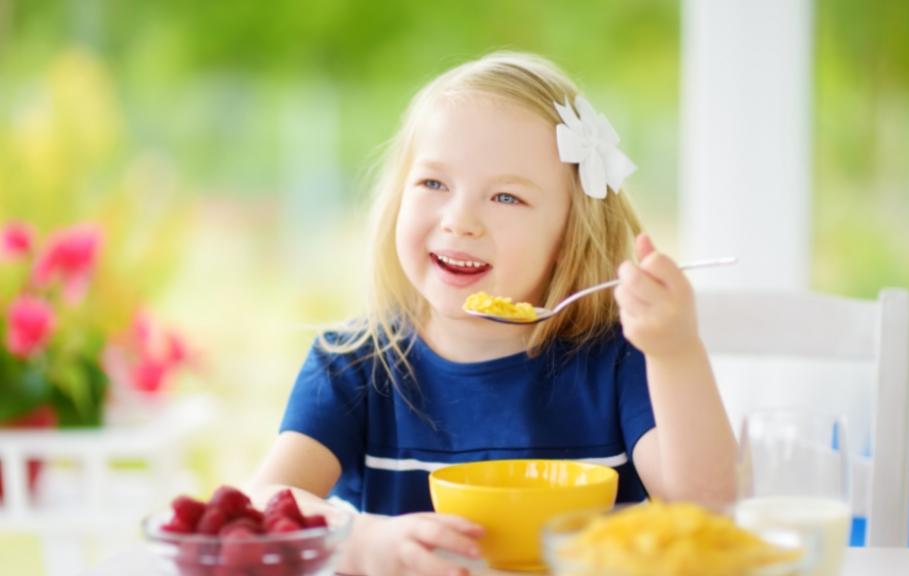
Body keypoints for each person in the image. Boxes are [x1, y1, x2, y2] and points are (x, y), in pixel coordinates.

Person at [250, 51, 737, 576]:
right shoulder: (351, 365)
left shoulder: (618, 359)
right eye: (434, 184)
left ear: (570, 233)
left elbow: (707, 509)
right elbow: (262, 505)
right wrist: (363, 544)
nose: (460, 220)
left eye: (506, 196)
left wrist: (675, 352)